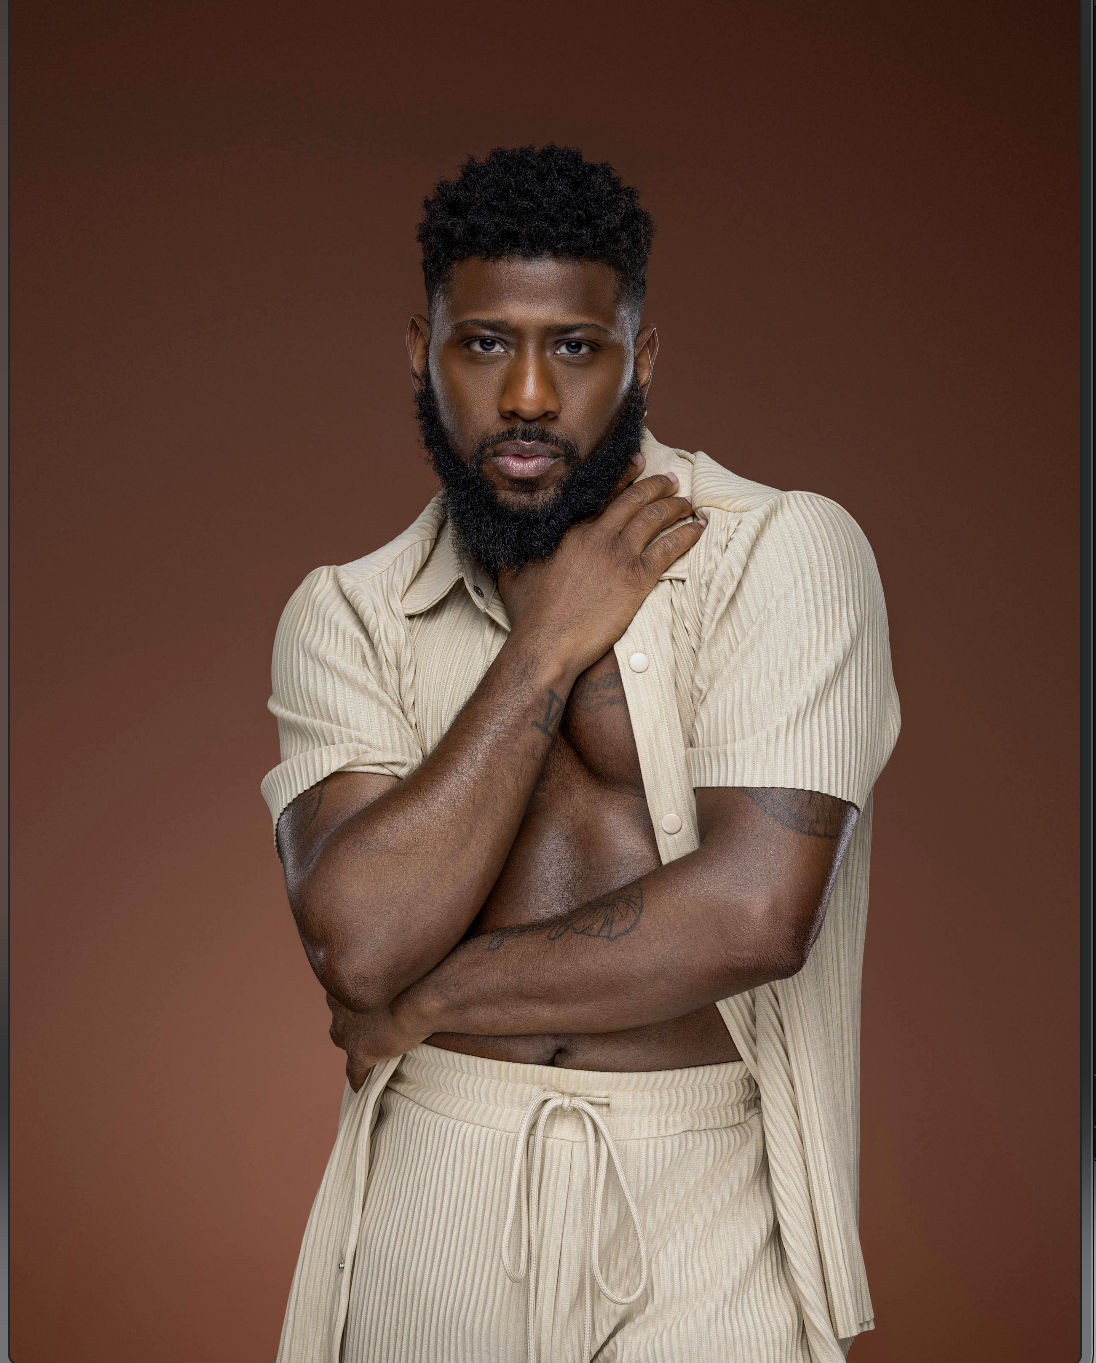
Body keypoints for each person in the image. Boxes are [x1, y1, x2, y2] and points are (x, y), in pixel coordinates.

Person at [261, 144, 900, 1363]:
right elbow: (359, 944)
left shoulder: (781, 554)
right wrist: (545, 647)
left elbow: (756, 911)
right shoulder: (349, 611)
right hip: (436, 1179)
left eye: (574, 346)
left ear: (640, 358)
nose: (527, 397)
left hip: (700, 1188)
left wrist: (435, 997)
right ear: (422, 349)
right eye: (484, 343)